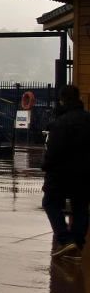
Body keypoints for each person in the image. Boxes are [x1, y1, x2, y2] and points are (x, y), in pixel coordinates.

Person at [41, 84, 90, 259]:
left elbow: (53, 150)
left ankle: (66, 240)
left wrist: (45, 165)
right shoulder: (88, 119)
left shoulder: (58, 123)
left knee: (50, 202)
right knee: (81, 207)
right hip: (85, 173)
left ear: (62, 101)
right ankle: (77, 243)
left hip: (60, 173)